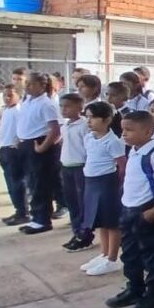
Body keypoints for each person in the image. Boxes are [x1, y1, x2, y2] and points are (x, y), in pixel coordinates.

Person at [105, 109, 154, 308]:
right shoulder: (135, 150)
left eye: (129, 130)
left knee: (151, 255)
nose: (124, 134)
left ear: (147, 131)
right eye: (123, 130)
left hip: (146, 212)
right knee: (129, 253)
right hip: (128, 210)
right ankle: (134, 289)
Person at [17, 72, 61, 235]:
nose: (27, 86)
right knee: (31, 181)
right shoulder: (27, 101)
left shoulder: (46, 104)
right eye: (26, 83)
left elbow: (55, 130)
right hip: (26, 143)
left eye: (31, 83)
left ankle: (42, 219)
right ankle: (36, 216)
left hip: (39, 144)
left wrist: (43, 147)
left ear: (42, 85)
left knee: (39, 183)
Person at [58, 93, 91, 252]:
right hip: (67, 166)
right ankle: (76, 231)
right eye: (62, 106)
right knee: (71, 201)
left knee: (82, 202)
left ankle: (85, 235)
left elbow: (88, 147)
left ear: (80, 108)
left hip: (81, 167)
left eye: (68, 106)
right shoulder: (65, 126)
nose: (64, 109)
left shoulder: (84, 125)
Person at [0, 85, 29, 225]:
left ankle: (23, 212)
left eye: (10, 95)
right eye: (4, 95)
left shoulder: (18, 111)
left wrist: (17, 144)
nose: (6, 97)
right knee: (10, 183)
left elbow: (22, 130)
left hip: (13, 149)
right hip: (4, 148)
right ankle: (18, 210)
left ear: (19, 96)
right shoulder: (5, 110)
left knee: (17, 182)